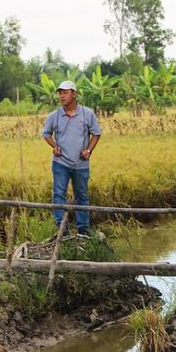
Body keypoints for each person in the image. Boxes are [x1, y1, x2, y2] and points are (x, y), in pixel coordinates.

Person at [42, 80, 102, 236]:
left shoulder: (87, 113)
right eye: (60, 93)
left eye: (65, 92)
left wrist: (88, 150)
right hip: (60, 162)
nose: (62, 96)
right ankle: (62, 229)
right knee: (58, 194)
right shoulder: (54, 116)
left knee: (81, 195)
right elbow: (46, 134)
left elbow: (96, 133)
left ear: (74, 94)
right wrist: (54, 146)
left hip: (81, 163)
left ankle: (83, 229)